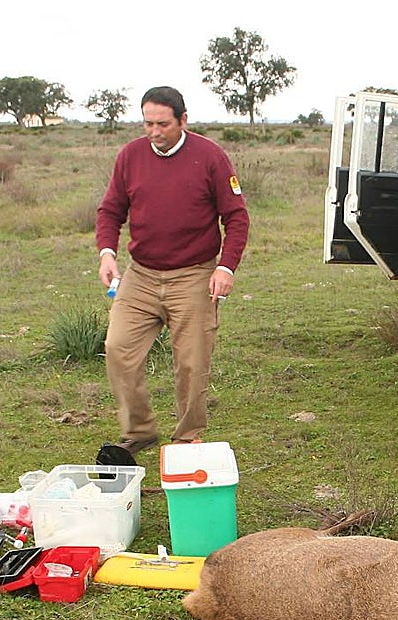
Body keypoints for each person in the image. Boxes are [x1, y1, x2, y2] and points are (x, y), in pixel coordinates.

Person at [95, 85, 250, 462]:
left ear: (183, 119)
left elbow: (236, 216)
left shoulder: (210, 157)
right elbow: (111, 210)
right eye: (147, 123)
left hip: (194, 275)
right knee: (118, 349)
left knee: (192, 360)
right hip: (141, 275)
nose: (154, 131)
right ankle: (139, 431)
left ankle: (187, 437)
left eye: (162, 123)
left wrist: (225, 266)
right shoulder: (130, 156)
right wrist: (106, 253)